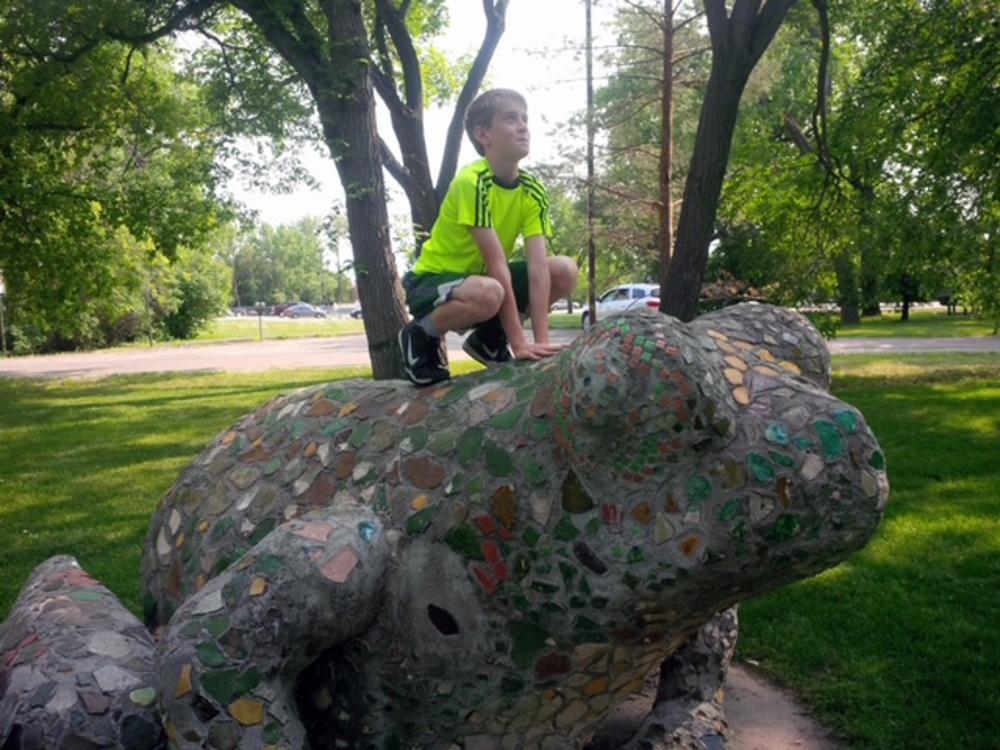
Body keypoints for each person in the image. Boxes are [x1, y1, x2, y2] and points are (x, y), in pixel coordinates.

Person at [398, 88, 579, 386]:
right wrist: (519, 344)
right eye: (511, 119)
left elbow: (538, 269)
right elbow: (497, 266)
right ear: (483, 135)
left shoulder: (532, 189)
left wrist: (541, 344)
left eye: (525, 119)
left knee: (563, 270)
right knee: (491, 290)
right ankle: (420, 334)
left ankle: (489, 339)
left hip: (483, 282)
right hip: (433, 280)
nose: (523, 126)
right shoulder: (473, 182)